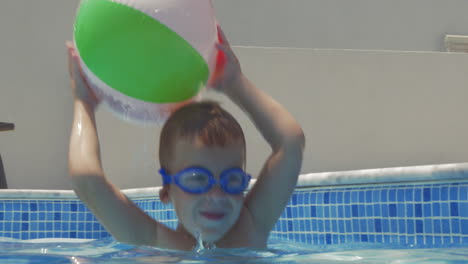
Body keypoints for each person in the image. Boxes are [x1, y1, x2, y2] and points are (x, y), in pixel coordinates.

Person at [67, 27, 305, 251]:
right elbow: (87, 181)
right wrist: (83, 103)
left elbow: (291, 142)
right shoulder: (158, 244)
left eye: (232, 180)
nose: (217, 195)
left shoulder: (251, 229)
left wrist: (235, 84)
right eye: (197, 179)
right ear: (166, 192)